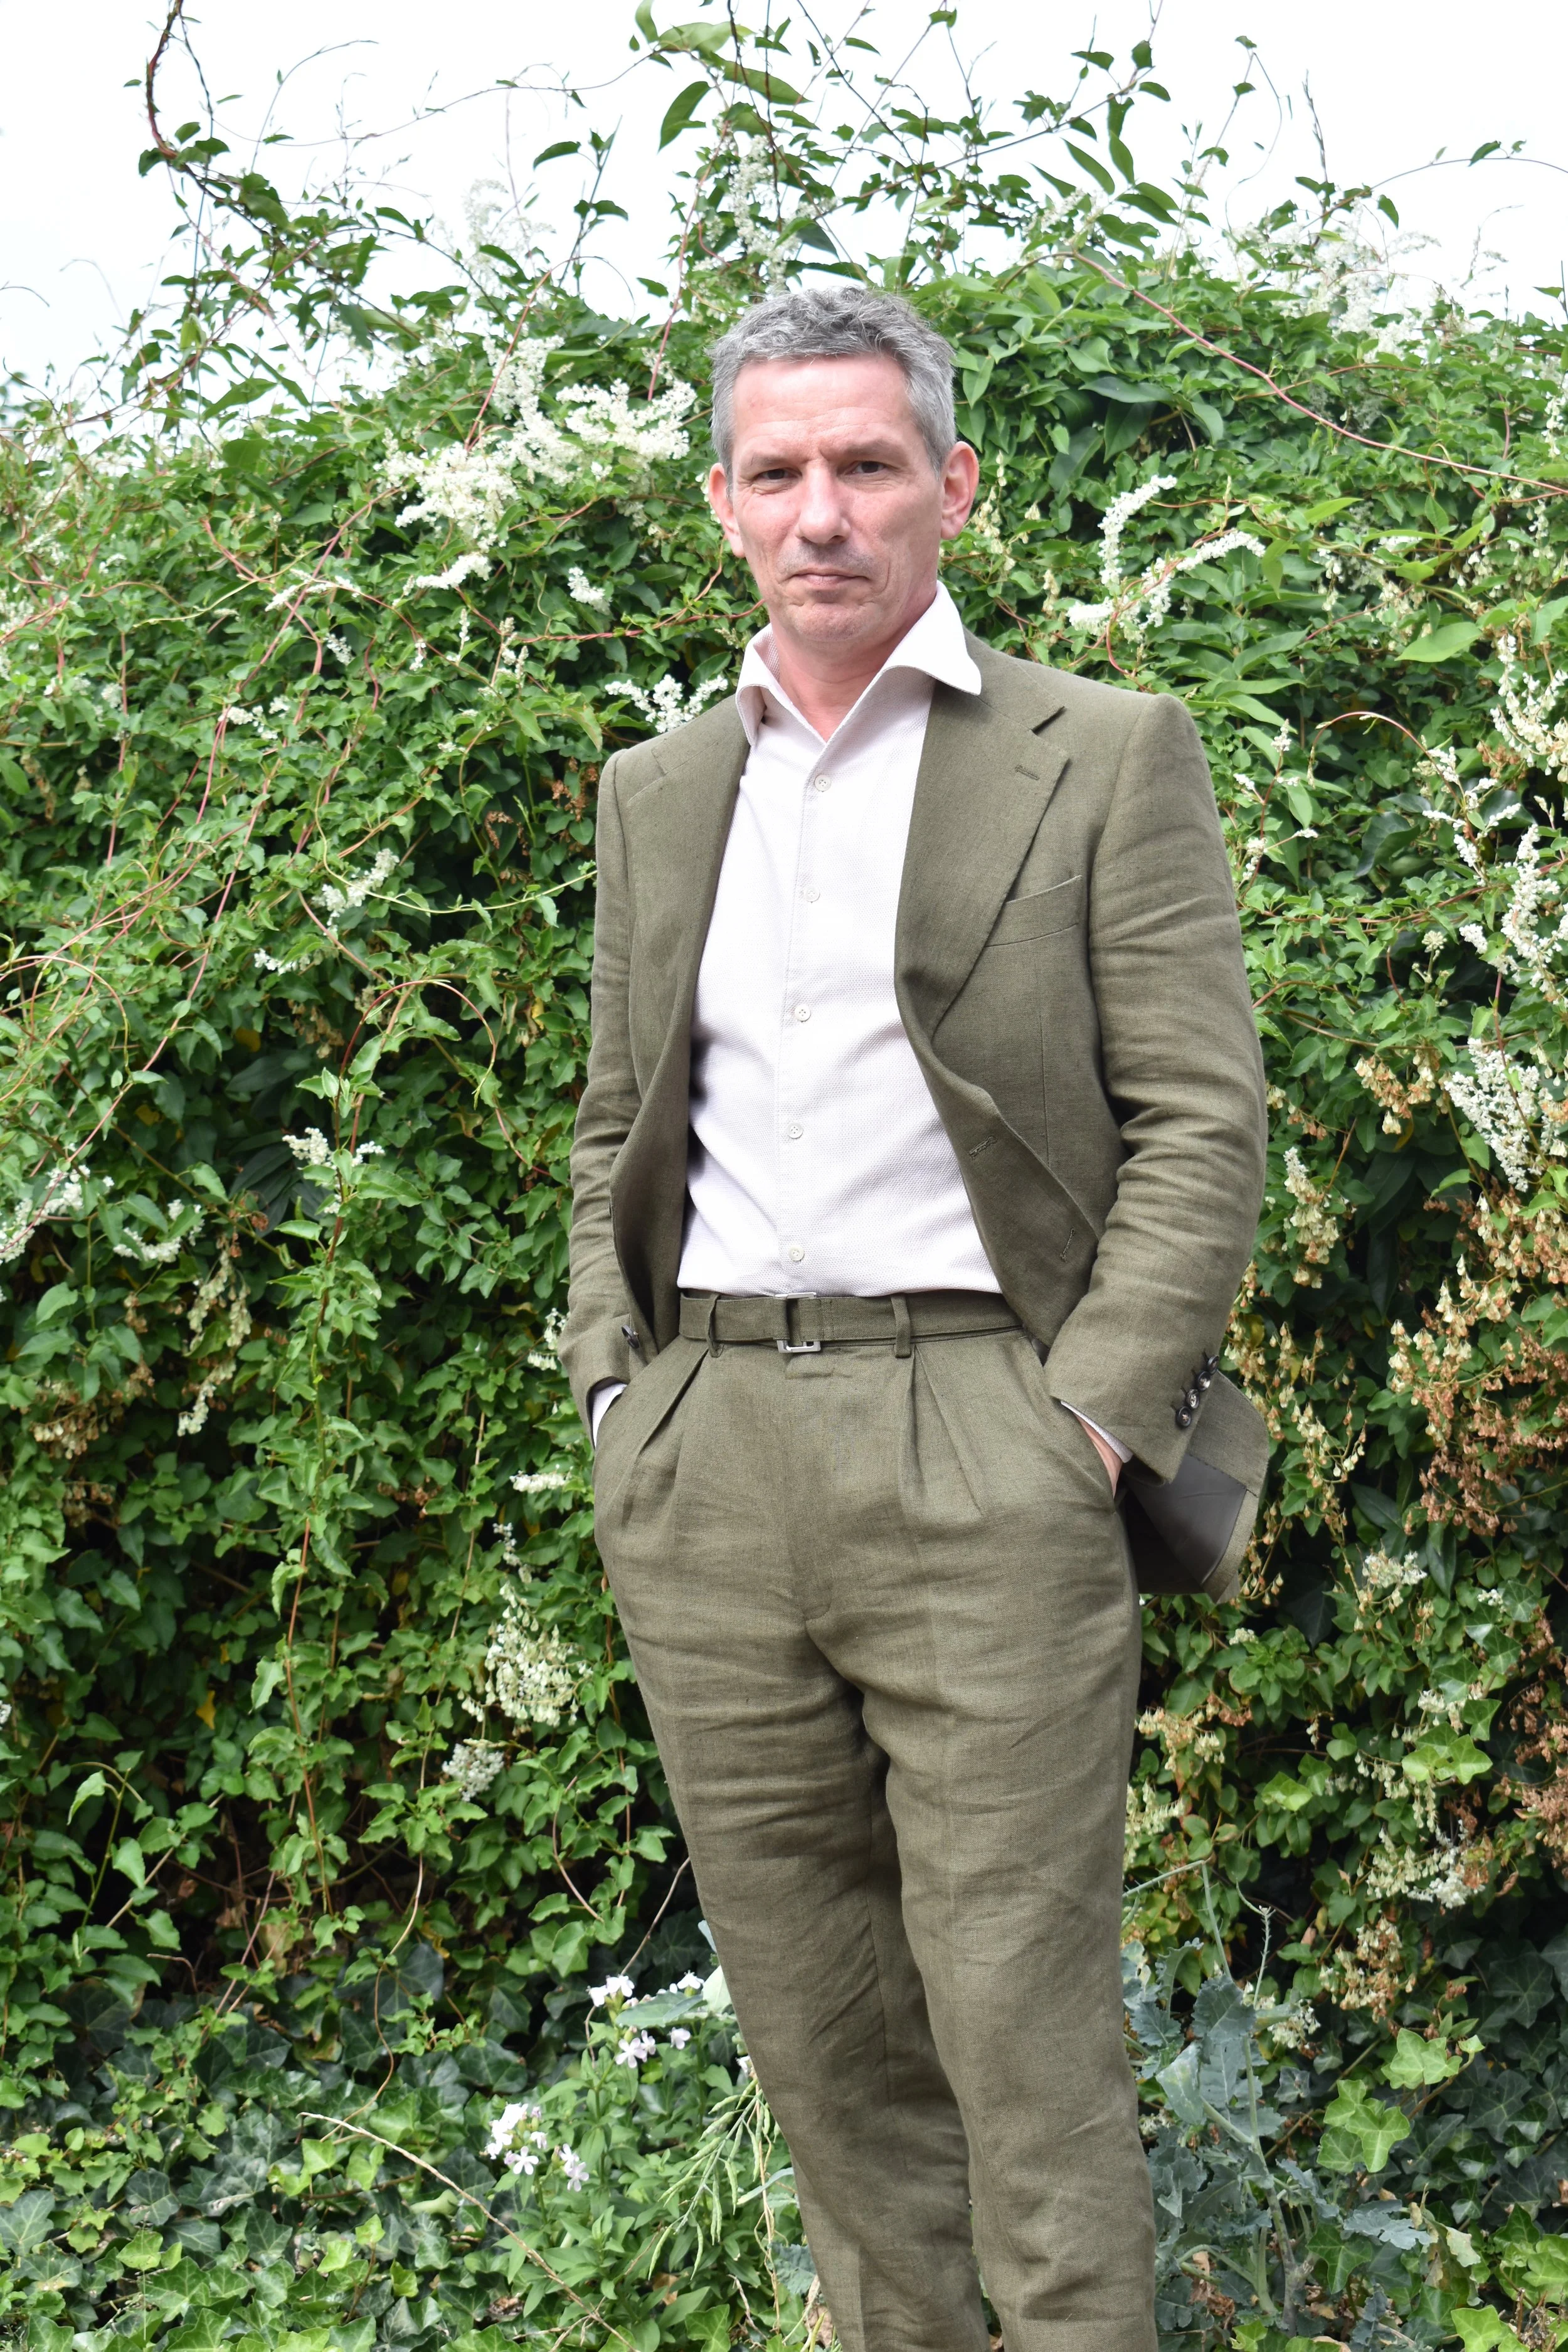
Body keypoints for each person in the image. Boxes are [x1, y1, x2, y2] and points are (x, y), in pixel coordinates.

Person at [561, 285, 1266, 2352]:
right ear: (720, 504)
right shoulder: (659, 786)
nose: (822, 512)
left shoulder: (1102, 752)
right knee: (823, 2047)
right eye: (775, 471)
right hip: (707, 1460)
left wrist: (1089, 1418)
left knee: (1020, 2041)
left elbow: (1199, 1121)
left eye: (867, 463)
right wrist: (618, 1392)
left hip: (982, 1436)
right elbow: (617, 1113)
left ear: (950, 486)